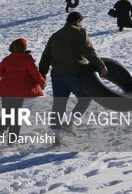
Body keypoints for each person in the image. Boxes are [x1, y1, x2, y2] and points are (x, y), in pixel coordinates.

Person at [39, 12, 107, 146]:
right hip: (74, 73)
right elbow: (88, 51)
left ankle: (56, 138)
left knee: (58, 105)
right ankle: (68, 123)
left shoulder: (55, 36)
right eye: (81, 22)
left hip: (57, 75)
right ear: (77, 21)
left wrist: (42, 77)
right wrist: (101, 65)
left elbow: (45, 58)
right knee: (86, 98)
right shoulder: (79, 32)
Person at [0, 38, 45, 140]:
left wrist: (8, 78)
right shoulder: (27, 59)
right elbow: (35, 73)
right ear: (24, 48)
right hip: (18, 92)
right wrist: (42, 82)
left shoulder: (7, 59)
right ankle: (11, 140)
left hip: (5, 90)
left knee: (7, 113)